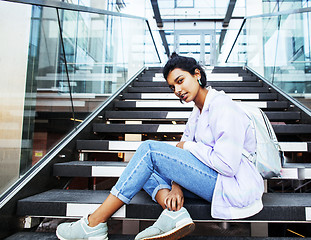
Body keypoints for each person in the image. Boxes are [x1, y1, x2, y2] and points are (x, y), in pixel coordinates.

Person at [56, 53, 264, 240]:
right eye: (172, 87)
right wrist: (176, 186)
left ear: (197, 74)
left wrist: (189, 146)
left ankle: (95, 222)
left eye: (180, 81)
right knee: (143, 170)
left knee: (148, 150)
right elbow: (183, 152)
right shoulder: (197, 113)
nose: (178, 91)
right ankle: (174, 213)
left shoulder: (223, 105)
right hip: (212, 179)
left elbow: (227, 164)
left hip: (231, 184)